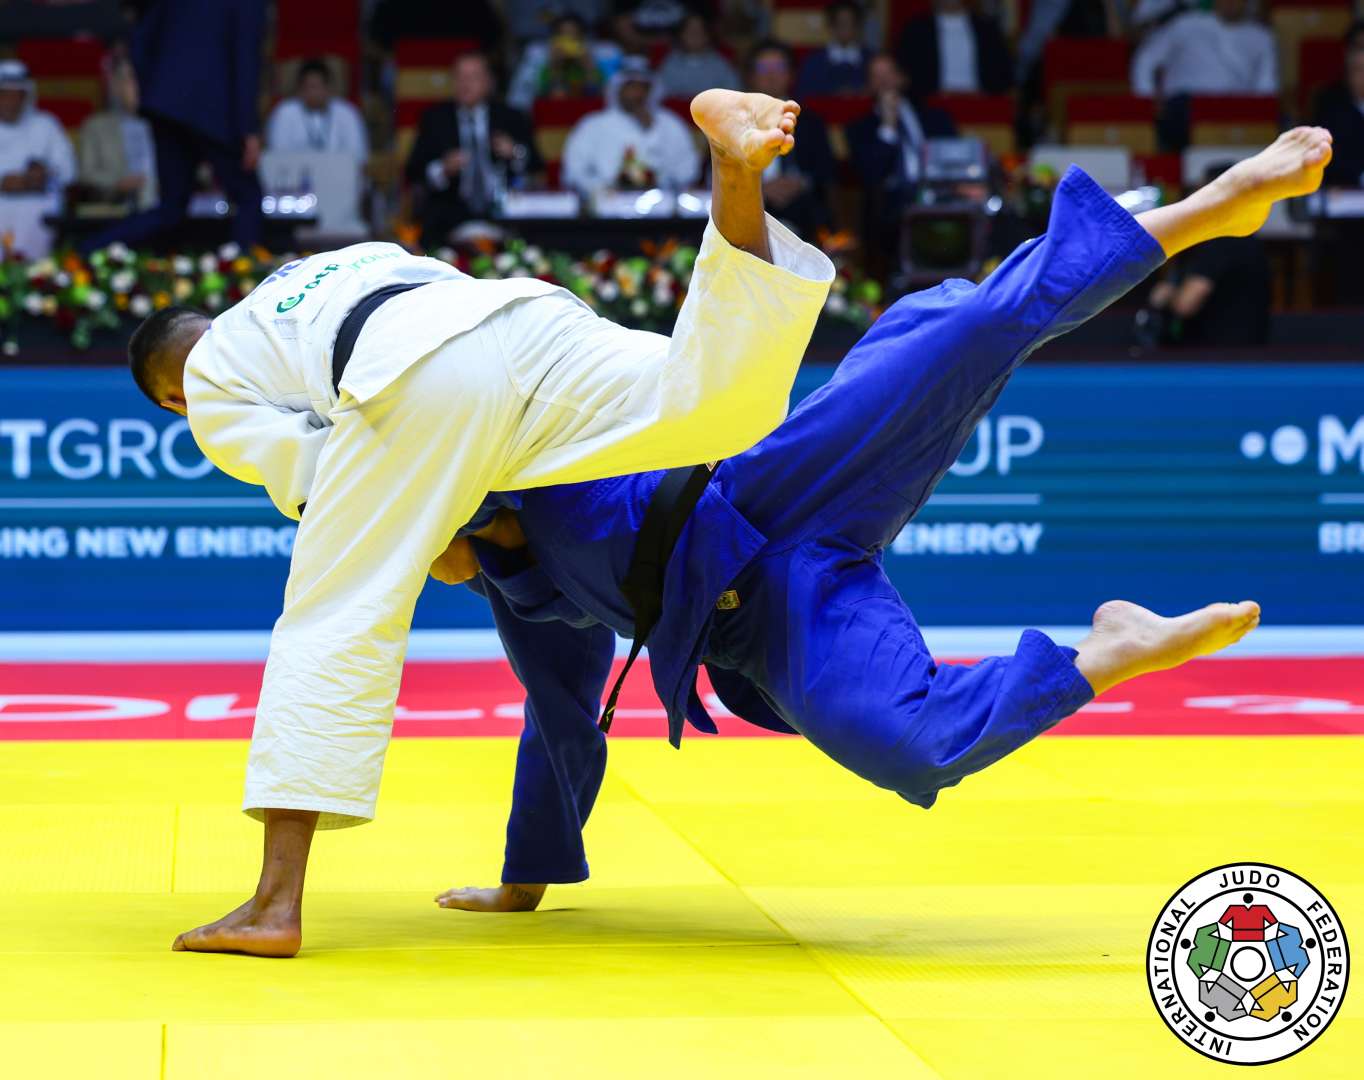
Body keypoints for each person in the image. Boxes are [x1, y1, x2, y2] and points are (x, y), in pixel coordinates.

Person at [420, 129, 1331, 915]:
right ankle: (1112, 648)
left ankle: (1211, 206)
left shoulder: (523, 457)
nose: (422, 568)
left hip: (769, 485)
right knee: (916, 749)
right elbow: (560, 717)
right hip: (776, 615)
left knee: (967, 337)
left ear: (456, 508)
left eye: (419, 546)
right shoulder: (524, 594)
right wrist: (523, 883)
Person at [149, 89, 835, 957]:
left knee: (334, 613)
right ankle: (734, 173)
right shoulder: (329, 266)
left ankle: (273, 906)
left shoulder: (210, 382)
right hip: (524, 319)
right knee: (708, 405)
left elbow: (339, 491)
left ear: (172, 392)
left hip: (410, 373)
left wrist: (456, 536)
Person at [80, 0, 265, 253]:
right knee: (248, 197)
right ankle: (247, 270)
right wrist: (248, 128)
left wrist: (151, 94)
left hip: (165, 106)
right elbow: (246, 59)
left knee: (171, 207)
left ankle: (88, 250)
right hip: (213, 109)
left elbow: (141, 37)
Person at [404, 52, 540, 247]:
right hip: (450, 213)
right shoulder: (435, 118)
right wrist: (442, 169)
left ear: (489, 82)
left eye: (474, 77)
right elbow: (414, 171)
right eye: (460, 77)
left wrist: (514, 152)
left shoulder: (511, 117)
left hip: (503, 212)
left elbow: (536, 164)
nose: (465, 83)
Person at [848, 52, 957, 261]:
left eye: (889, 73)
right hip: (893, 206)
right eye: (876, 76)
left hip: (939, 194)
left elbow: (954, 159)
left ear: (903, 78)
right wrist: (888, 126)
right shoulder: (859, 128)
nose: (884, 81)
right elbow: (871, 175)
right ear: (869, 84)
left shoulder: (936, 117)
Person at [1132, 0, 1277, 152]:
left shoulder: (1262, 37)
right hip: (1186, 105)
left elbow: (1266, 88)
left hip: (1236, 107)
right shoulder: (1186, 24)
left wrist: (1258, 113)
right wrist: (1147, 100)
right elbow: (1146, 60)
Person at [561, 56, 700, 195]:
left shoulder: (670, 123)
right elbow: (575, 171)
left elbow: (687, 167)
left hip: (661, 200)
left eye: (643, 88)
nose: (638, 93)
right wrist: (600, 188)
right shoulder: (593, 125)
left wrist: (651, 130)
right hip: (606, 201)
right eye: (631, 87)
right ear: (618, 89)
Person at [746, 41, 836, 237]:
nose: (771, 76)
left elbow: (825, 170)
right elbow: (719, 171)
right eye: (763, 69)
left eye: (779, 68)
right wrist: (758, 187)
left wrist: (800, 183)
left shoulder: (811, 122)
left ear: (791, 75)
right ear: (751, 76)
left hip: (801, 204)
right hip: (751, 201)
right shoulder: (736, 121)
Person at [0, 59, 76, 259]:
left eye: (17, 95)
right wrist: (4, 183)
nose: (11, 102)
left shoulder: (46, 125)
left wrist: (44, 176)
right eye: (5, 95)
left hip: (38, 204)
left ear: (26, 96)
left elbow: (68, 171)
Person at [77, 55, 158, 212]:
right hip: (117, 208)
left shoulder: (169, 125)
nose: (138, 85)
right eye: (131, 79)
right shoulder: (96, 127)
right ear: (115, 85)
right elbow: (86, 175)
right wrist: (118, 183)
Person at [897, 0, 1013, 98]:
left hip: (981, 103)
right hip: (931, 105)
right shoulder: (916, 30)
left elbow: (1004, 73)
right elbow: (904, 74)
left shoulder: (987, 29)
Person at [507, 13, 623, 111]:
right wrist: (555, 65)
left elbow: (601, 94)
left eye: (574, 36)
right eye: (563, 36)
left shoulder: (596, 60)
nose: (568, 40)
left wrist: (588, 66)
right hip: (554, 118)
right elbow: (541, 94)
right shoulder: (542, 62)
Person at [265, 59, 368, 162]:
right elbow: (277, 155)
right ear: (299, 90)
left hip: (339, 170)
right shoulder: (284, 113)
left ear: (329, 88)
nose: (313, 93)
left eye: (317, 87)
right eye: (309, 87)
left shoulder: (347, 113)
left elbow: (359, 155)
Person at [796, 1, 873, 98]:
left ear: (858, 26)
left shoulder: (871, 60)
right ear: (830, 26)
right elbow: (803, 95)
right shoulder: (813, 62)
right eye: (840, 23)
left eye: (850, 23)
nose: (845, 28)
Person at [658, 12, 741, 100]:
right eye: (690, 31)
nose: (694, 35)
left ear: (707, 35)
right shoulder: (669, 63)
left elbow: (734, 97)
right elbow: (657, 97)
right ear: (681, 35)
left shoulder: (721, 66)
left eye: (699, 31)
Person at [1315, 41, 1364, 188]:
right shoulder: (1330, 104)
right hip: (1343, 189)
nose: (1362, 77)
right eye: (1358, 70)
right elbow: (1329, 157)